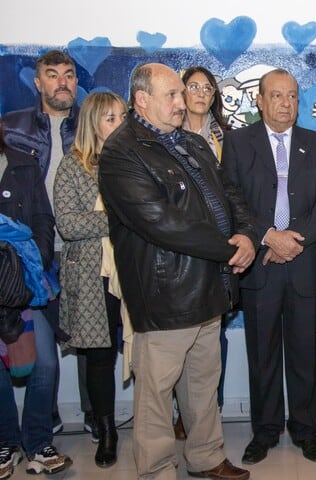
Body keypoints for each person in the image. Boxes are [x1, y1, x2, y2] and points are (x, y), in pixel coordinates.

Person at [98, 62, 257, 480]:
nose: (181, 102)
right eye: (171, 95)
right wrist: (228, 248)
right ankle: (156, 470)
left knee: (203, 384)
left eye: (180, 94)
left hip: (209, 286)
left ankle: (205, 457)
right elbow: (160, 222)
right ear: (142, 100)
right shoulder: (121, 152)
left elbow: (229, 192)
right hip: (165, 293)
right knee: (156, 394)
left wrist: (247, 235)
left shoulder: (192, 142)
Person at [222, 69, 316, 465]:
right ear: (260, 100)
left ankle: (305, 429)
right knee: (263, 355)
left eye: (292, 96)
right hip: (260, 266)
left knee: (305, 353)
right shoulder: (238, 143)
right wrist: (268, 236)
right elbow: (231, 196)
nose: (286, 103)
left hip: (305, 264)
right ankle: (266, 430)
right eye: (277, 96)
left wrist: (294, 240)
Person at [1, 50, 91, 436]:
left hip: (79, 249)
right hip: (30, 255)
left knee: (89, 334)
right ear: (38, 83)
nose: (62, 82)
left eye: (68, 74)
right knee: (40, 348)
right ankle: (46, 419)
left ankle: (94, 415)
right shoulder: (12, 126)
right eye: (52, 75)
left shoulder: (89, 125)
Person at [53, 92, 126, 468]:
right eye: (110, 118)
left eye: (122, 117)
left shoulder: (130, 163)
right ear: (93, 123)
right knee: (99, 358)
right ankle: (107, 431)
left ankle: (151, 426)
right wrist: (118, 216)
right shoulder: (72, 167)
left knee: (142, 351)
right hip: (91, 274)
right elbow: (68, 224)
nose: (119, 125)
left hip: (131, 271)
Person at [0, 117, 73, 476]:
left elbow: (44, 218)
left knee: (44, 361)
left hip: (25, 281)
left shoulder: (23, 164)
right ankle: (5, 443)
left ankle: (38, 441)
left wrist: (39, 256)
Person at [174, 65, 230, 441]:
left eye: (207, 87)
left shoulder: (226, 137)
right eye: (193, 86)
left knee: (215, 335)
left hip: (220, 247)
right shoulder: (166, 135)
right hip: (178, 246)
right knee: (178, 337)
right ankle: (182, 412)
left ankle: (212, 413)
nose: (200, 93)